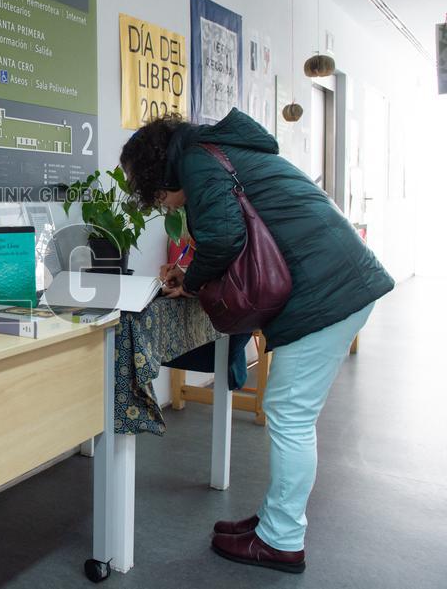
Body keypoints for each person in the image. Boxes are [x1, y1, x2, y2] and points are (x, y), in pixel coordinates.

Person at [120, 108, 393, 574]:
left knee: (289, 413)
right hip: (339, 278)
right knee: (292, 412)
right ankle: (274, 521)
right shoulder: (217, 150)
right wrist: (193, 272)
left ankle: (282, 539)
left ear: (156, 172)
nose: (163, 204)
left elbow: (225, 238)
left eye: (157, 195)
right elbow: (236, 232)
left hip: (331, 289)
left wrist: (189, 282)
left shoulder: (199, 163)